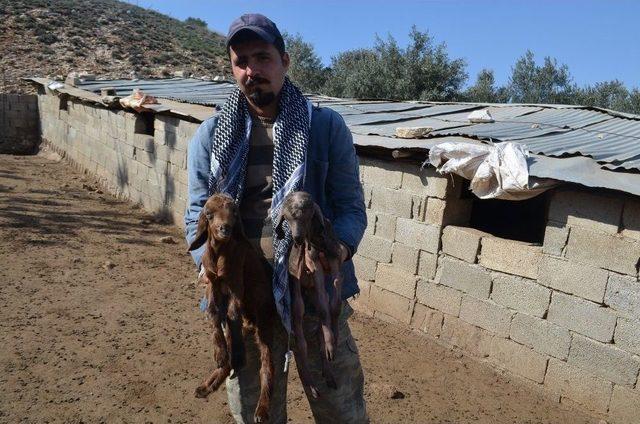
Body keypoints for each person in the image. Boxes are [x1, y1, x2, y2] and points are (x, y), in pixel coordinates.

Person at [184, 13, 368, 424]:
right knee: (258, 416)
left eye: (263, 57)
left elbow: (352, 209)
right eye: (241, 61)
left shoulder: (325, 128)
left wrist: (335, 251)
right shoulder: (211, 136)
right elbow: (195, 213)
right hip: (243, 297)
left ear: (285, 60)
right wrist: (210, 269)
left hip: (311, 295)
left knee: (342, 412)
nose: (252, 71)